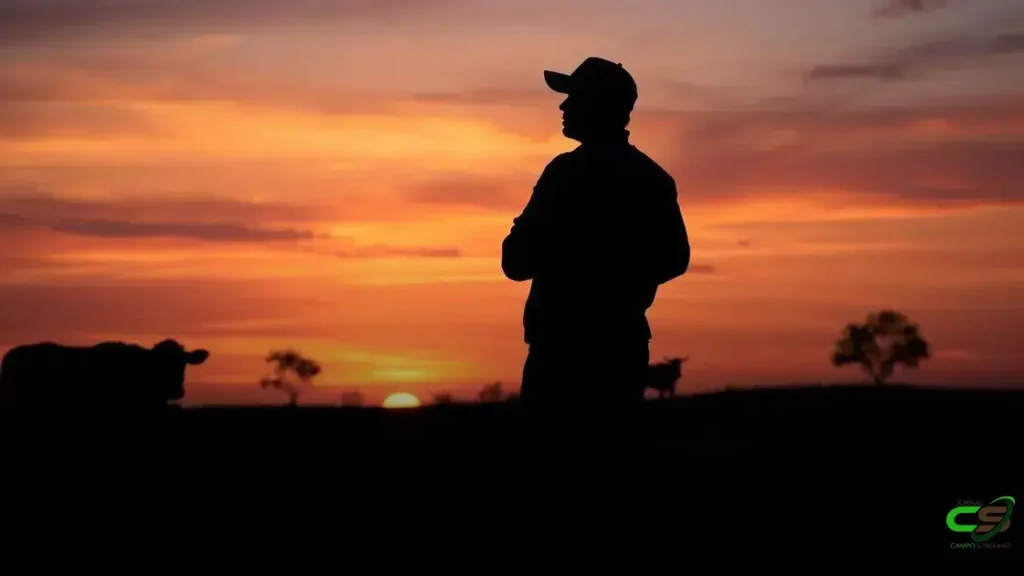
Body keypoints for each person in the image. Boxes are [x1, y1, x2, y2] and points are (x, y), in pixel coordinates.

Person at [501, 56, 691, 410]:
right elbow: (675, 260)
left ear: (594, 105)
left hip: (560, 355)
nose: (563, 105)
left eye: (573, 97)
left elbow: (515, 262)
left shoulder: (564, 173)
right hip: (622, 351)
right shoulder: (653, 178)